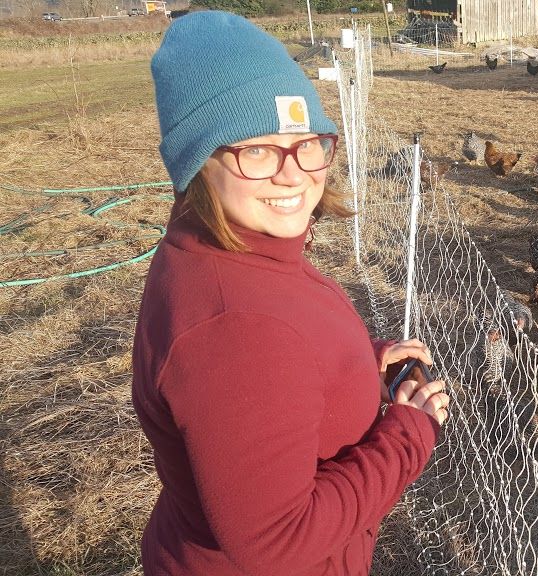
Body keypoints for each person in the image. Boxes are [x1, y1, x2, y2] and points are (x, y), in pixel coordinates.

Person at [131, 11, 449, 576]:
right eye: (256, 151)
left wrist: (352, 363)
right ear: (196, 161)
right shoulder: (237, 325)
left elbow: (265, 379)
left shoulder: (220, 250)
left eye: (307, 143)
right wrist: (408, 437)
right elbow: (278, 541)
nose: (293, 174)